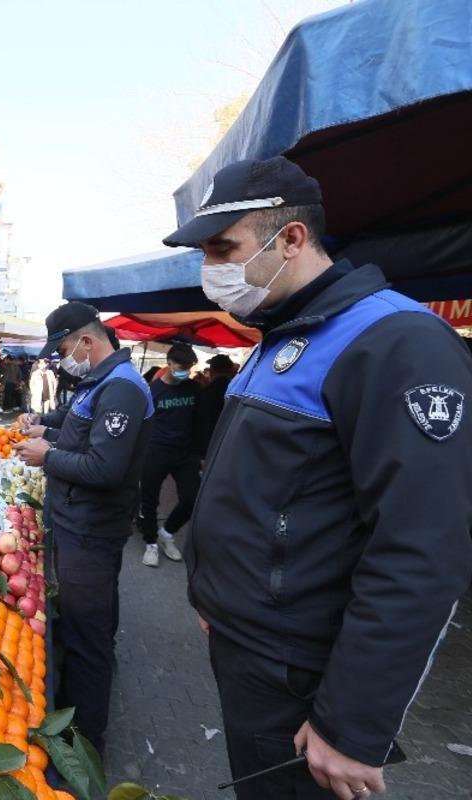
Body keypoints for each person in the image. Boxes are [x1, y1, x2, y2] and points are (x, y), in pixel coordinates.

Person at [164, 155, 472, 799]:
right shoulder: (277, 338)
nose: (210, 270)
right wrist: (215, 597)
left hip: (304, 680)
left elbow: (422, 550)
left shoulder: (395, 342)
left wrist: (354, 723)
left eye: (224, 248)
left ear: (293, 239)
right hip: (249, 651)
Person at [14, 301, 153, 754]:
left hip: (91, 531)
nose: (61, 359)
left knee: (86, 635)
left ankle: (85, 738)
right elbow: (77, 430)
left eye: (65, 349)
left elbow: (105, 467)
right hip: (77, 523)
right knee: (87, 623)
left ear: (87, 341)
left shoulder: (123, 389)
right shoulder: (100, 382)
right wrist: (44, 429)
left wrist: (47, 456)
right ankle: (80, 714)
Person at [137, 343, 206, 568]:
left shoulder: (194, 389)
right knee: (149, 500)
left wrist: (200, 454)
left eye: (189, 366)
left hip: (186, 454)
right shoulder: (152, 391)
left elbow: (199, 423)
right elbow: (142, 425)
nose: (185, 370)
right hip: (155, 452)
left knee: (191, 498)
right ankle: (151, 543)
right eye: (181, 365)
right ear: (169, 363)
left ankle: (167, 533)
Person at [198, 353, 236, 446]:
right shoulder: (236, 390)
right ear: (231, 370)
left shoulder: (205, 391)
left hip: (209, 442)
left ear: (212, 371)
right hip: (230, 439)